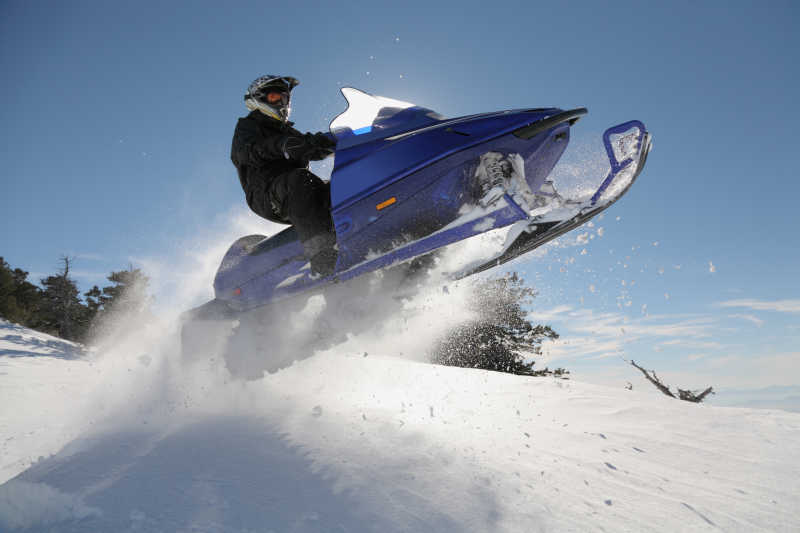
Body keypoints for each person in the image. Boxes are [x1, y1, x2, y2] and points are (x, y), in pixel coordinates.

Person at [230, 75, 338, 276]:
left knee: (340, 185)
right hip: (266, 193)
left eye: (285, 98)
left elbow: (311, 146)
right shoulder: (248, 127)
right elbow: (246, 152)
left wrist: (337, 138)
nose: (281, 103)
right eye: (274, 97)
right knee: (301, 179)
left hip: (298, 191)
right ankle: (322, 258)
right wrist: (281, 145)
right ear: (258, 100)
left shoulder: (289, 133)